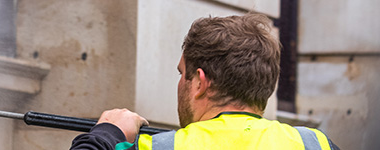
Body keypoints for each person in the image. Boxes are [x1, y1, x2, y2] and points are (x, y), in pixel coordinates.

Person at [70, 14, 339, 150]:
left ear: (199, 82)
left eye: (181, 73)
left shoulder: (162, 147)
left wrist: (107, 134)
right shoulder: (315, 144)